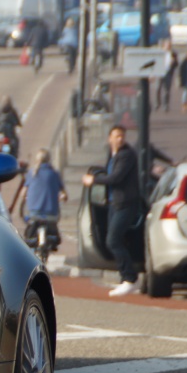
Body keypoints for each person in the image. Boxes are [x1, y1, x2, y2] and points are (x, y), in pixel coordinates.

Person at [82, 125, 141, 297]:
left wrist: (94, 180)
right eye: (116, 136)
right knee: (114, 240)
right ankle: (126, 277)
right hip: (114, 203)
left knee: (113, 240)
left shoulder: (127, 155)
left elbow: (116, 177)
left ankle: (130, 278)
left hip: (126, 204)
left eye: (122, 136)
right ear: (110, 138)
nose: (120, 139)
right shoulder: (113, 153)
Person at [10, 148, 68, 249]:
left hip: (34, 213)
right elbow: (64, 194)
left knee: (29, 231)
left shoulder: (32, 173)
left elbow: (23, 193)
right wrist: (61, 197)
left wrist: (27, 198)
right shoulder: (54, 174)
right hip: (52, 213)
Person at [155, 39, 178, 112]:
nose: (168, 46)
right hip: (159, 72)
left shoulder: (173, 53)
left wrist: (174, 62)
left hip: (168, 73)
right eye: (167, 45)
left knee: (167, 90)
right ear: (164, 45)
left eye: (170, 45)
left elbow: (176, 64)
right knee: (157, 88)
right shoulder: (159, 52)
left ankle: (166, 105)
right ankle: (157, 103)